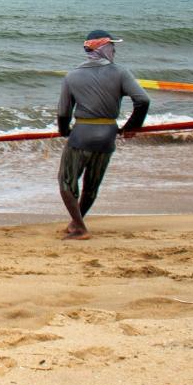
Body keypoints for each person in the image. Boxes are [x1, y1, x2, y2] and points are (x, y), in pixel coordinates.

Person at [57, 30, 150, 240]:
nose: (114, 50)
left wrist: (64, 132)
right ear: (103, 48)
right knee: (92, 184)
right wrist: (131, 127)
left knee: (66, 182)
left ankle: (79, 226)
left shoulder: (72, 76)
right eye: (112, 46)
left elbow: (63, 112)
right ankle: (76, 223)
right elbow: (143, 101)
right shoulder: (120, 73)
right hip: (107, 135)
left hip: (81, 135)